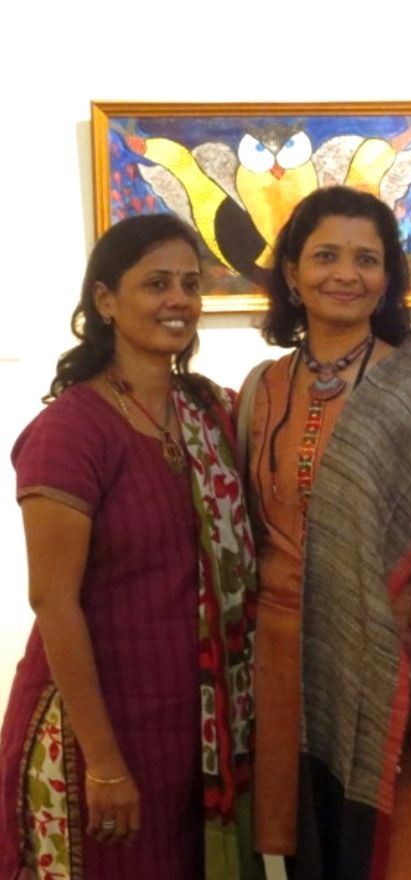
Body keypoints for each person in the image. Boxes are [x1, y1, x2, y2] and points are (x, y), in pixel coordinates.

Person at [0, 214, 258, 879]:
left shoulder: (211, 413)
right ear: (106, 300)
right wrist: (105, 763)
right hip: (96, 734)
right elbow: (54, 603)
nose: (179, 300)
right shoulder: (71, 432)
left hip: (196, 731)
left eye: (191, 284)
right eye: (156, 283)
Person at [246, 186, 411, 879]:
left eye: (366, 259)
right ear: (291, 273)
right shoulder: (262, 388)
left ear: (387, 276)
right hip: (280, 669)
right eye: (325, 257)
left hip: (389, 669)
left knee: (387, 856)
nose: (345, 274)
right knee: (299, 851)